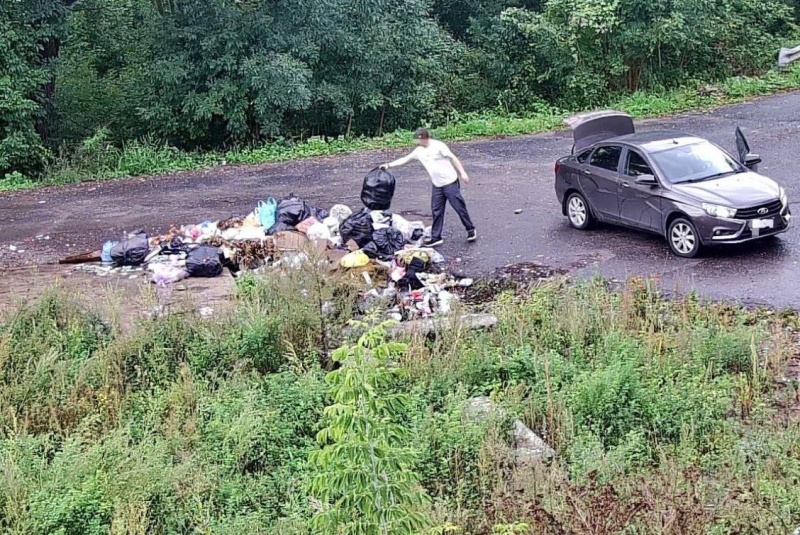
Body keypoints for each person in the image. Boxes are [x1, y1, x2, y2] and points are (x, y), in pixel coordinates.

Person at [381, 128, 476, 247]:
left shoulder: (439, 146)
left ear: (425, 138)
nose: (417, 143)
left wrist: (462, 173)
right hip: (437, 184)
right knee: (436, 211)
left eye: (419, 140)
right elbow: (405, 159)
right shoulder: (419, 151)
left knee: (459, 207)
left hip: (450, 182)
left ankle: (470, 229)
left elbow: (453, 158)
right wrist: (388, 165)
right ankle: (436, 237)